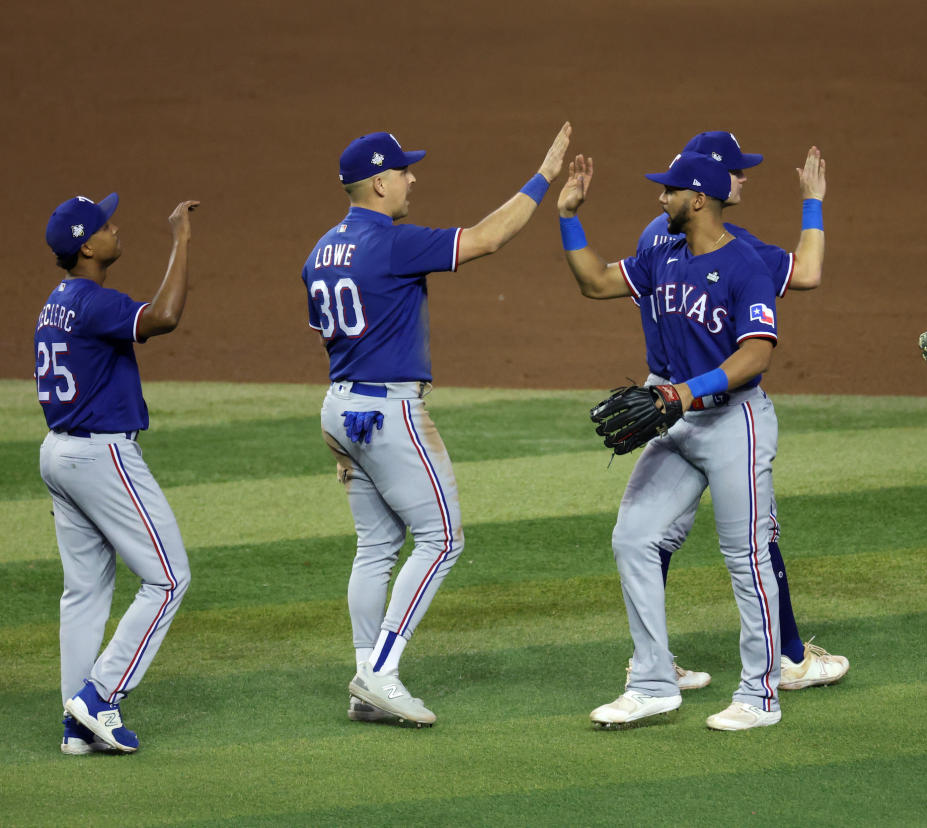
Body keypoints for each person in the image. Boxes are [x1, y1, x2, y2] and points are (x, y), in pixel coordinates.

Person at [303, 124, 571, 726]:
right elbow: (488, 238)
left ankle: (364, 680)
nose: (412, 178)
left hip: (339, 407)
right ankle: (379, 673)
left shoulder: (319, 251)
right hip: (389, 411)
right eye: (403, 171)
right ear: (378, 182)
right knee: (443, 539)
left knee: (375, 546)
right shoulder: (392, 241)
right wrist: (543, 176)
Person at [559, 150, 784, 731]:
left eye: (670, 191)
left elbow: (756, 353)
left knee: (747, 561)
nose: (660, 199)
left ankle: (761, 696)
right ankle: (654, 681)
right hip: (676, 421)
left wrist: (685, 392)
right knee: (633, 537)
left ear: (699, 199)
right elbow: (593, 282)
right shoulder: (665, 254)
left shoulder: (746, 265)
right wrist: (568, 216)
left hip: (736, 423)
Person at [628, 131, 848, 693]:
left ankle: (652, 660)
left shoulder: (658, 233)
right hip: (712, 400)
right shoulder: (730, 246)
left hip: (661, 396)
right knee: (753, 538)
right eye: (739, 171)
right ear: (713, 185)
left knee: (649, 538)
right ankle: (788, 661)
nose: (746, 178)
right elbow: (808, 272)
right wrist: (813, 202)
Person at [39, 193, 200, 753]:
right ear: (87, 245)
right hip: (99, 455)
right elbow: (164, 317)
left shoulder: (55, 301)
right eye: (105, 225)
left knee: (83, 591)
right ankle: (99, 696)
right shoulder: (89, 301)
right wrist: (181, 240)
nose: (115, 228)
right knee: (168, 577)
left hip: (58, 451)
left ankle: (76, 729)